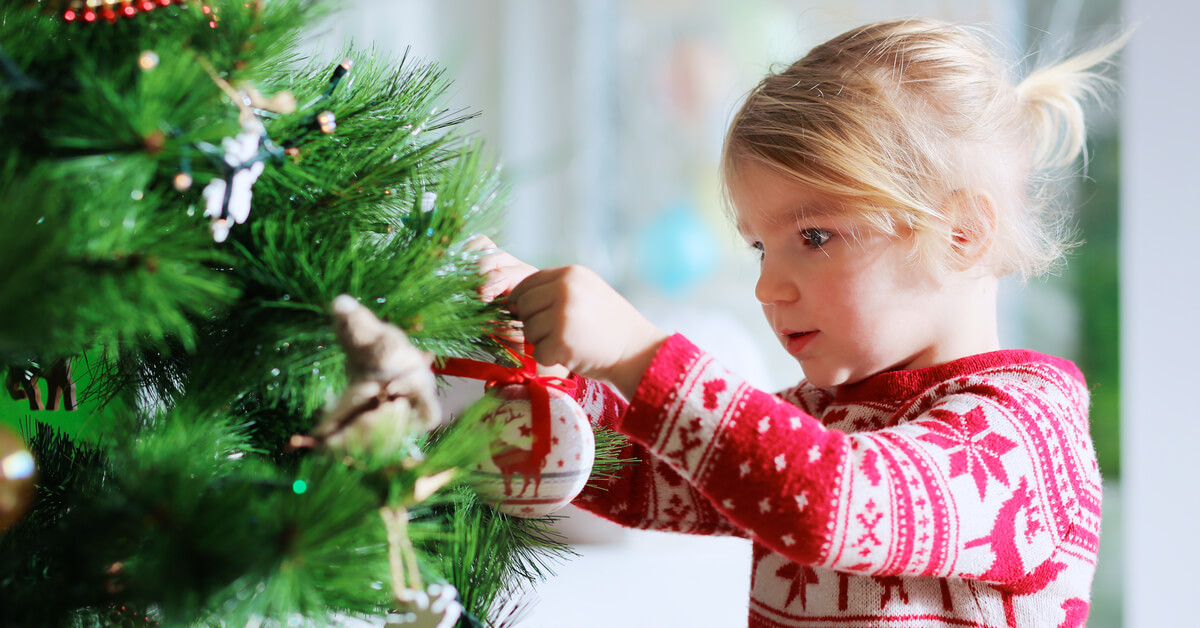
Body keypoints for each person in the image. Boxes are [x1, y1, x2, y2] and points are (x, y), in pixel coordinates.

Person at [477, 17, 1122, 628]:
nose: (766, 286)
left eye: (815, 235)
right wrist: (534, 364)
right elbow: (636, 475)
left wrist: (635, 353)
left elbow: (831, 498)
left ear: (961, 233)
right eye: (760, 246)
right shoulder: (824, 416)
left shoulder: (1028, 434)